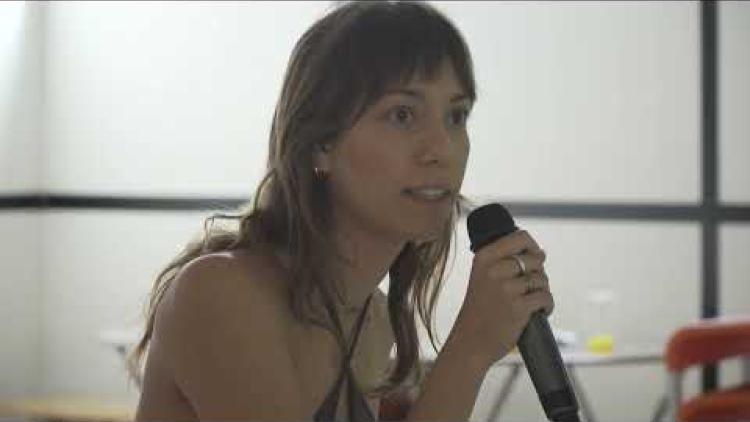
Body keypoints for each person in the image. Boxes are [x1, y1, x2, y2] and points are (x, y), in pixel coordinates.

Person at [129, 1, 553, 421]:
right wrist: (470, 349)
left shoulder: (374, 320)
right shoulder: (222, 294)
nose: (442, 149)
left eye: (456, 116)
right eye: (402, 115)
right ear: (320, 143)